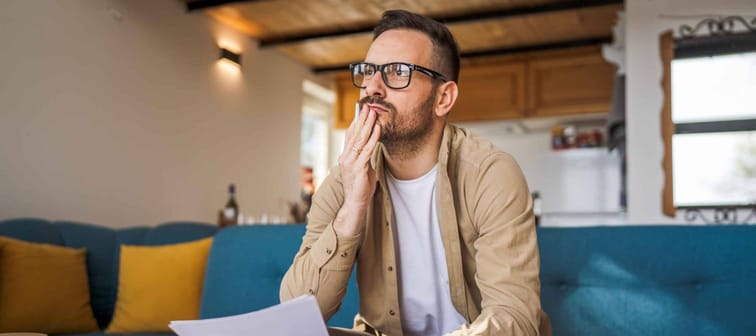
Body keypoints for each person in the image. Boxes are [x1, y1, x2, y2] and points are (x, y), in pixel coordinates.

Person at [281, 9, 550, 336]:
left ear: (443, 97)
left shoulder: (490, 174)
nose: (373, 88)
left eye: (397, 72)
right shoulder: (344, 179)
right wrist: (353, 203)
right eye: (369, 71)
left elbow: (514, 320)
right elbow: (296, 312)